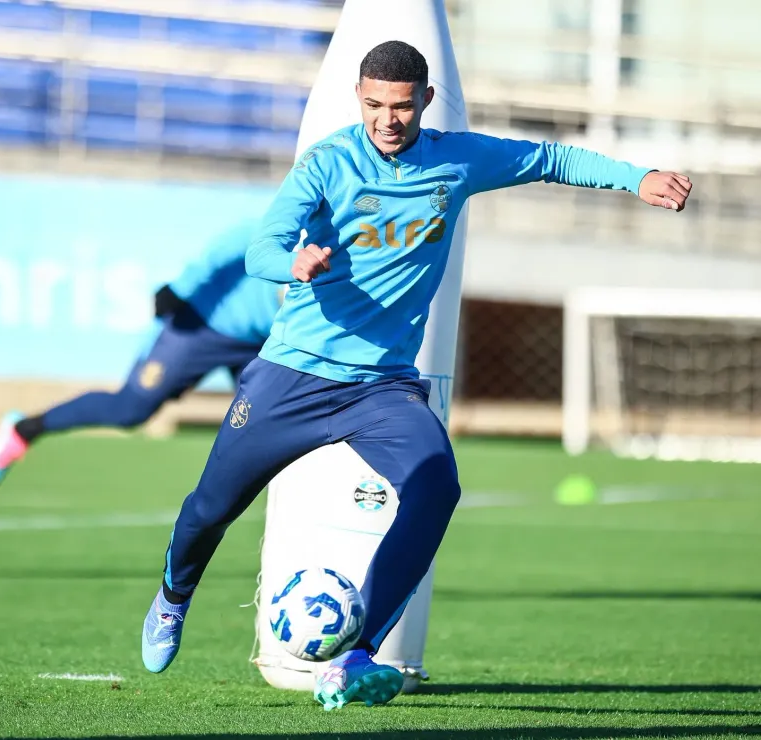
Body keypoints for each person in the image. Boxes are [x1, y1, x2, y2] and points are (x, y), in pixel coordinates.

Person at [140, 40, 692, 710]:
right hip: (293, 375)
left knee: (437, 488)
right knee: (210, 508)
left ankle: (357, 655)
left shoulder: (456, 160)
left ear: (426, 101)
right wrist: (294, 263)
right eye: (374, 105)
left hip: (382, 387)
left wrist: (636, 178)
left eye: (401, 106)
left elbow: (549, 157)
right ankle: (173, 598)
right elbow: (264, 246)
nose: (387, 120)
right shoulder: (328, 163)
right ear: (358, 98)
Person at [0, 220, 283, 490]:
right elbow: (240, 238)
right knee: (130, 409)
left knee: (266, 421)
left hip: (256, 343)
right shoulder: (293, 227)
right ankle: (22, 430)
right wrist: (180, 288)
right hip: (199, 323)